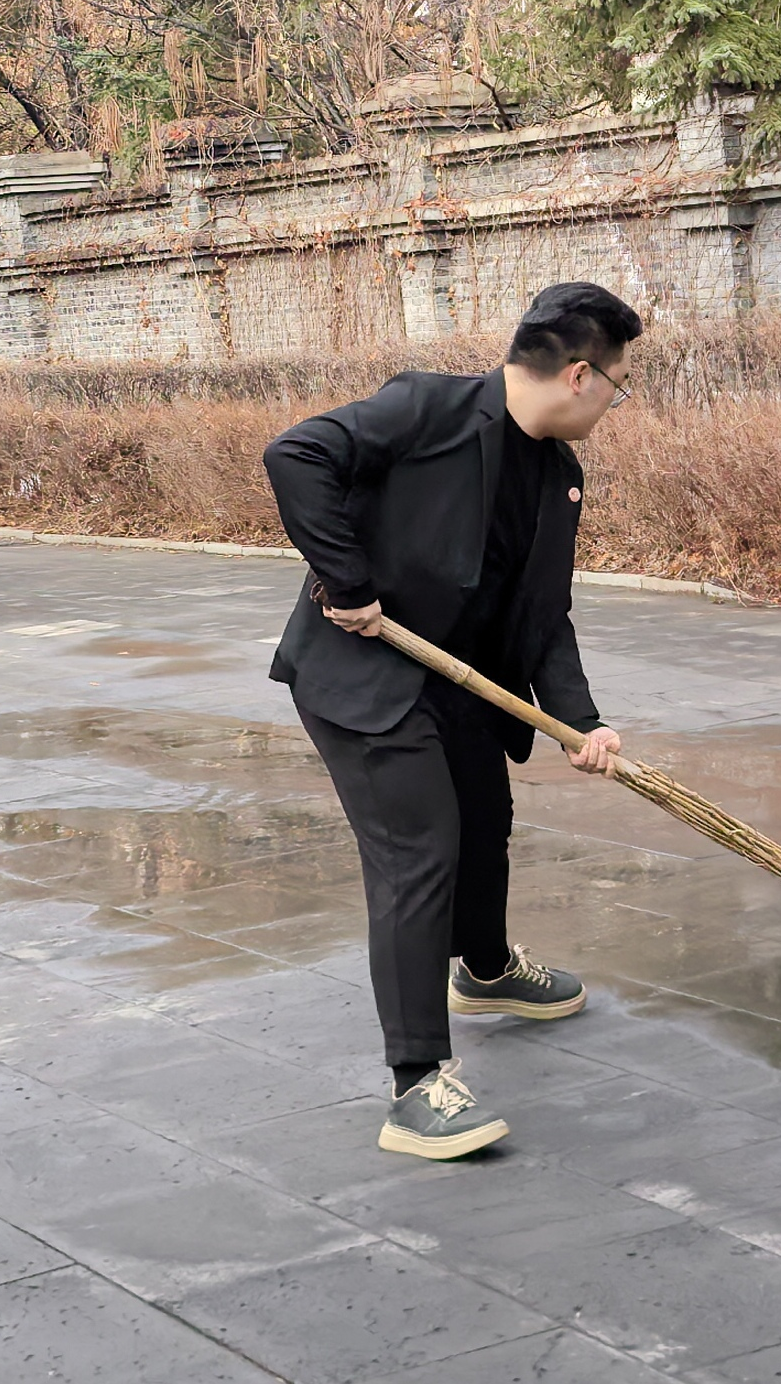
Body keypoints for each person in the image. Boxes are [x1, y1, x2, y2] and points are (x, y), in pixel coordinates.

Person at [263, 281, 639, 1159]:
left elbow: (543, 612)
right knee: (418, 853)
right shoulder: (427, 408)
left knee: (482, 820)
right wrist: (348, 581)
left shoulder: (555, 476)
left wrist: (580, 721)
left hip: (459, 681)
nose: (616, 401)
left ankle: (487, 967)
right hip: (364, 674)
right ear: (579, 375)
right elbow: (295, 454)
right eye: (619, 384)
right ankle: (416, 1084)